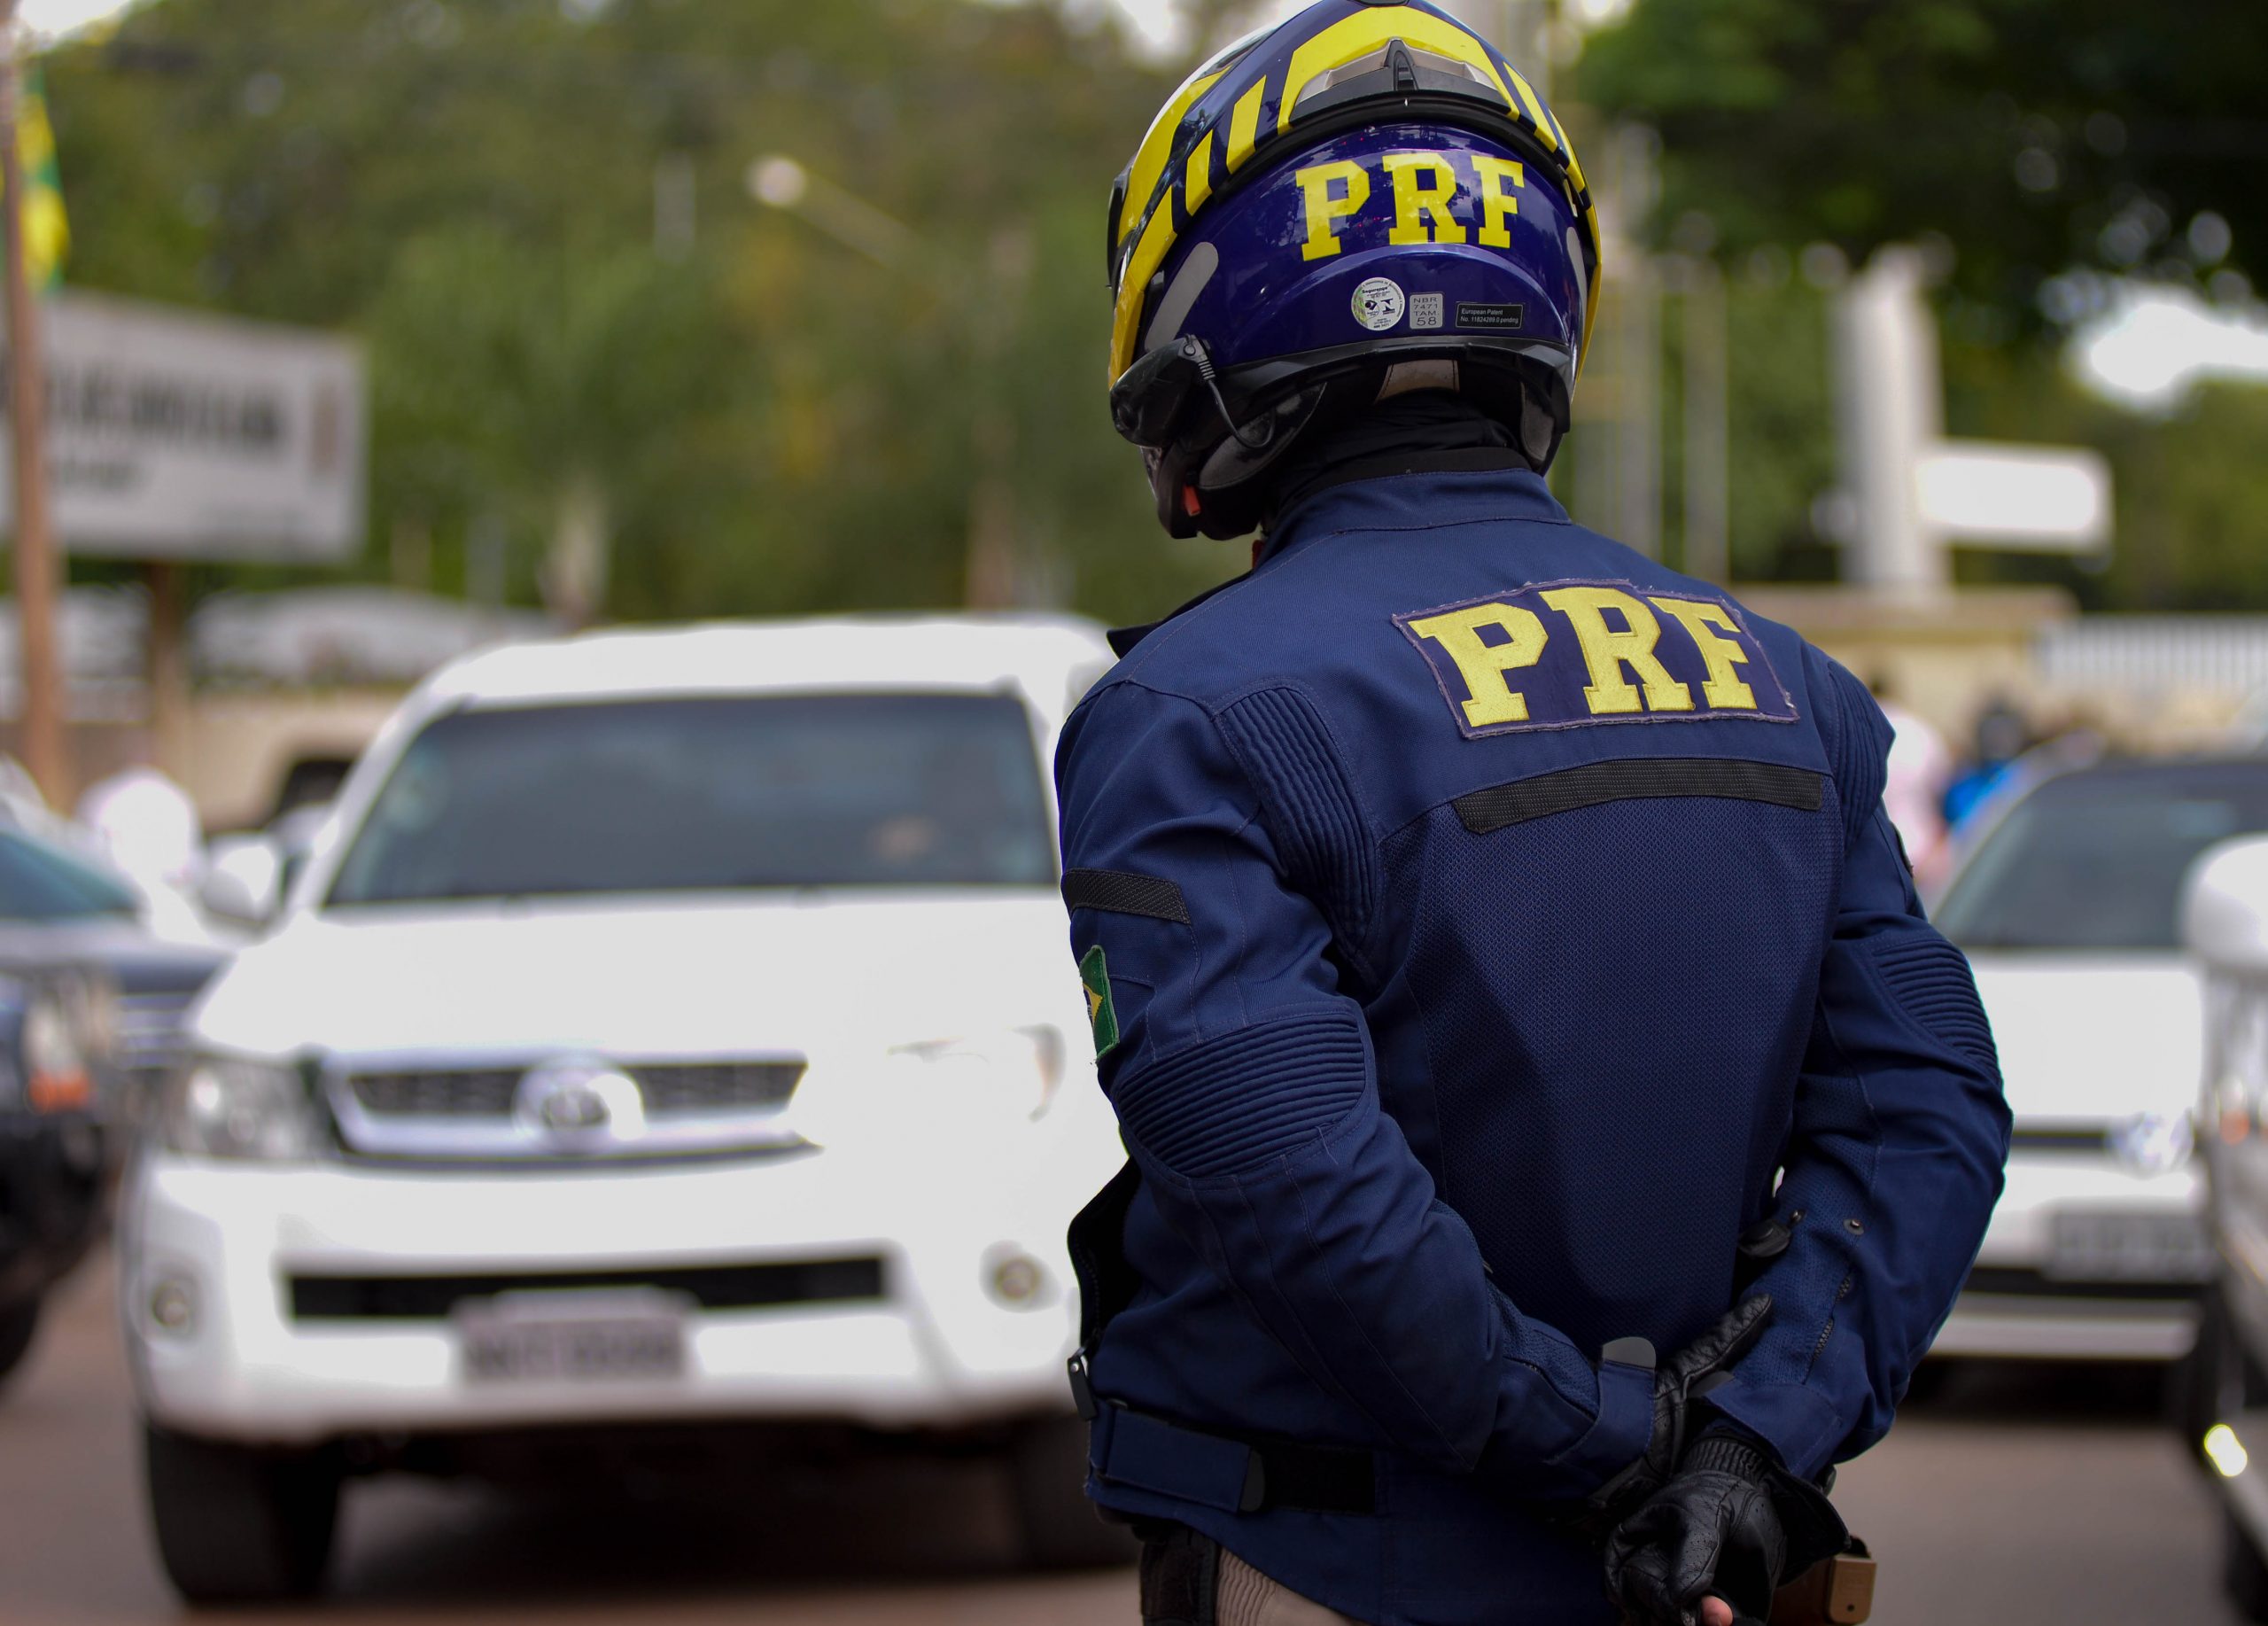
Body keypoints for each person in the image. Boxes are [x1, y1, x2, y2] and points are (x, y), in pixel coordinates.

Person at [1052, 6, 2011, 1625]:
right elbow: (1928, 1114)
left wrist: (1609, 1449)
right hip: (1705, 1562)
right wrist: (1743, 1450)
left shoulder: (1188, 718)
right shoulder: (1788, 685)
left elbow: (1297, 1185)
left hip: (1341, 1563)